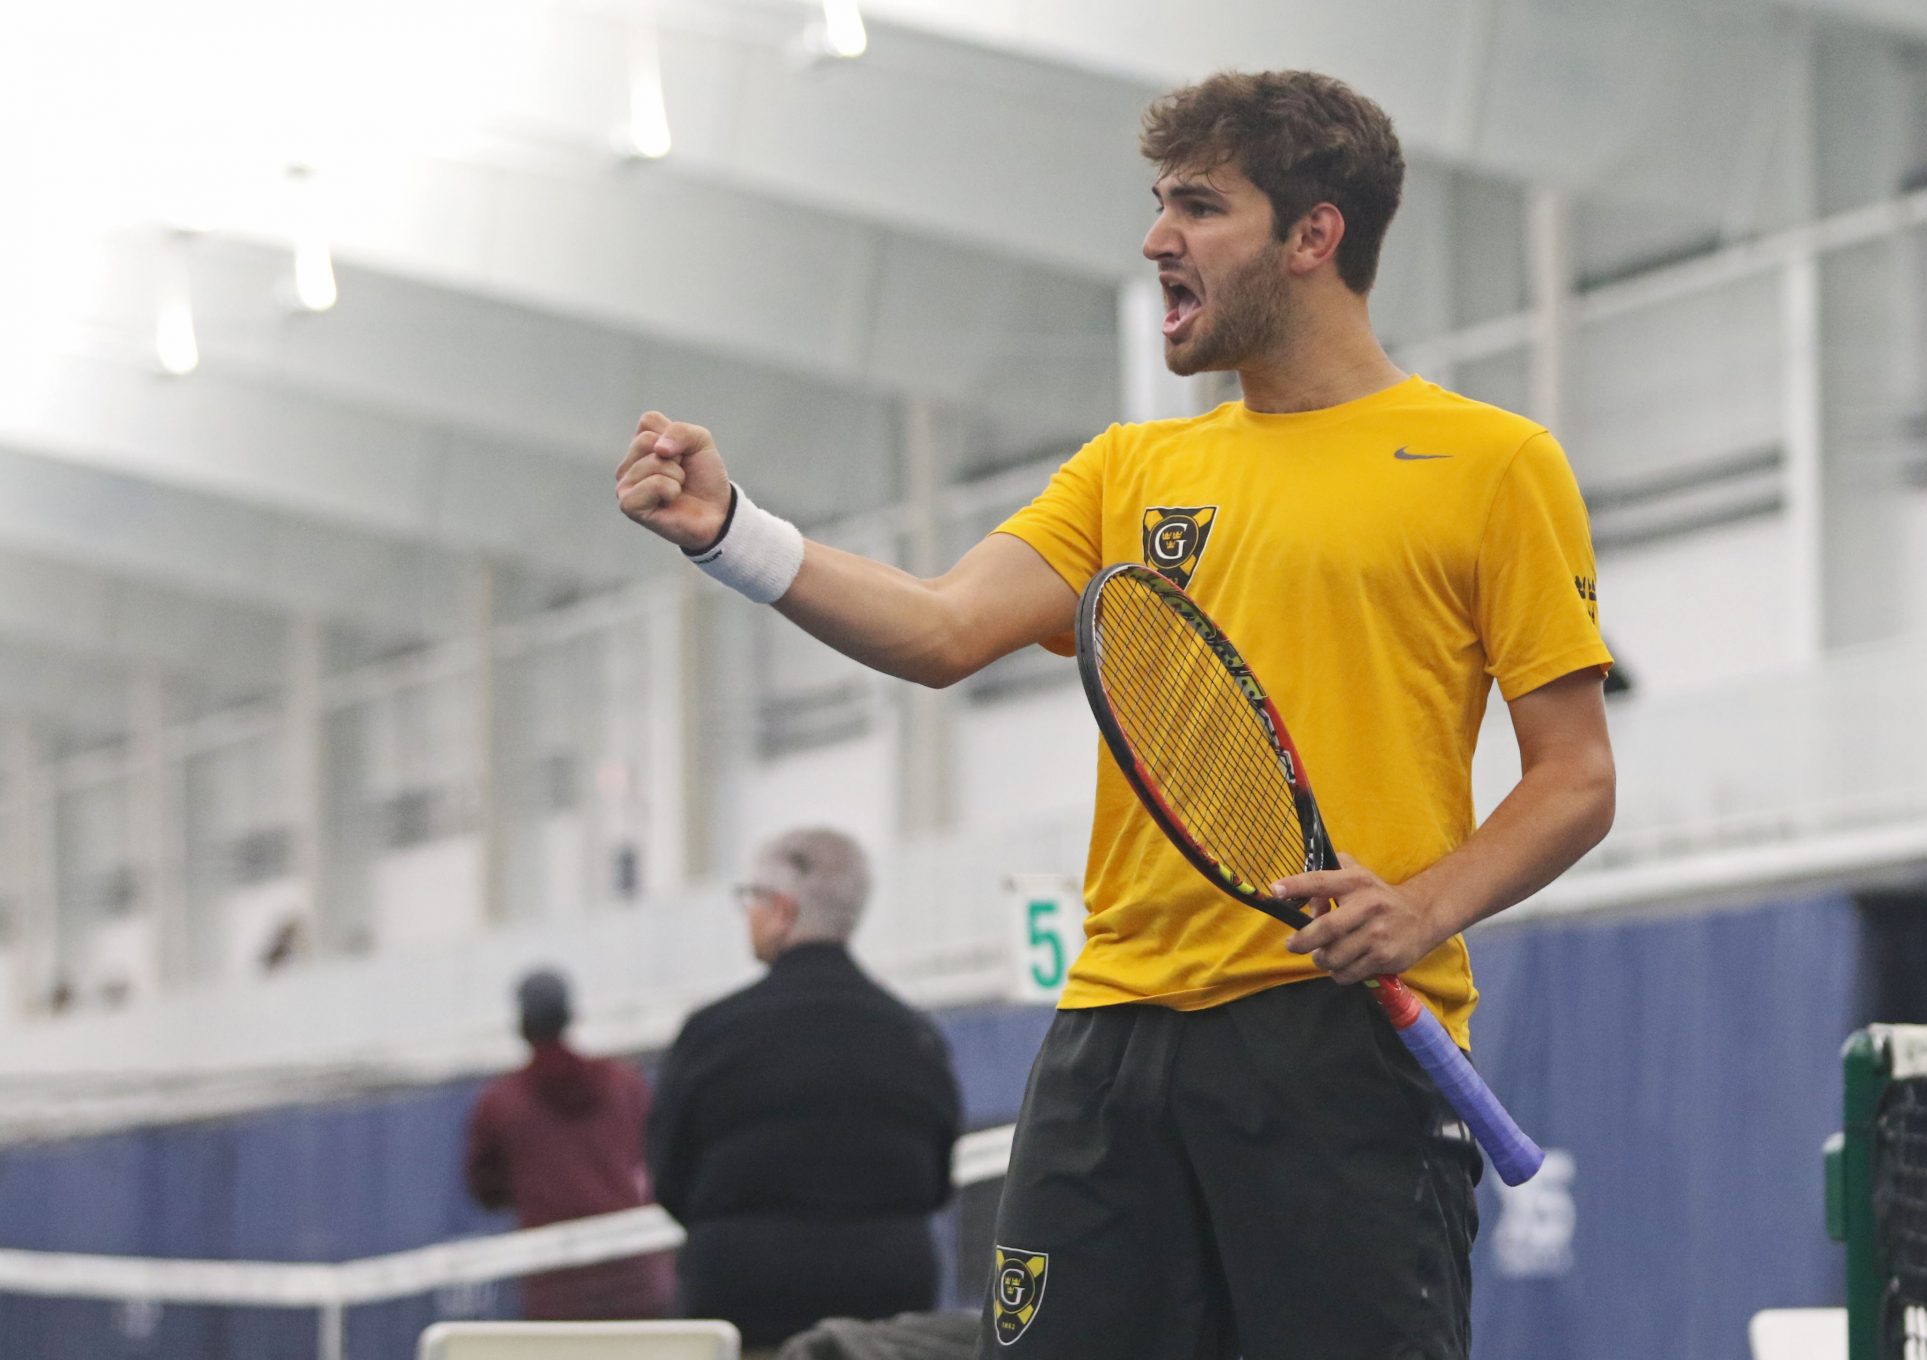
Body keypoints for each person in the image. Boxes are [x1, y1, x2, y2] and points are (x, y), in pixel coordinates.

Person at [613, 70, 1615, 1360]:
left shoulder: (1493, 465)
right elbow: (936, 629)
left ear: (1314, 236)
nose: (1156, 240)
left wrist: (1422, 906)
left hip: (1335, 1050)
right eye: (1157, 206)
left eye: (1198, 207)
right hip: (1107, 1049)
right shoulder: (1130, 471)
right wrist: (729, 533)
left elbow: (1575, 776)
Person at [647, 827, 961, 1355]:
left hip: (744, 1304)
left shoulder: (710, 1034)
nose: (747, 913)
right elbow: (934, 1180)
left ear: (782, 909)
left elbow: (670, 1178)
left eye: (751, 898)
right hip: (885, 1315)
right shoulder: (915, 1036)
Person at [463, 969, 672, 1321]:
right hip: (637, 1281)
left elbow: (485, 1189)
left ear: (523, 1024)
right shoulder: (625, 1084)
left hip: (557, 1293)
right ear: (571, 1016)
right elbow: (656, 1153)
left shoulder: (501, 1103)